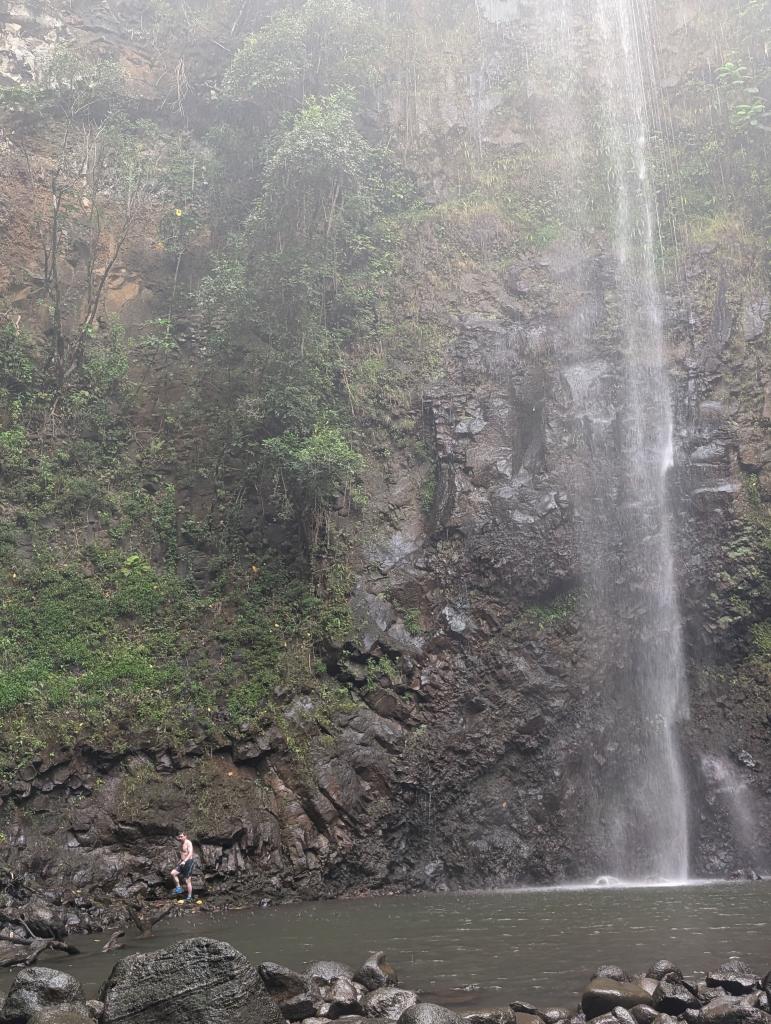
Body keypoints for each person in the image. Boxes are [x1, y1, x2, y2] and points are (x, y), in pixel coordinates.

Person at [170, 831, 195, 901]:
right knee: (173, 873)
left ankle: (189, 897)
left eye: (181, 836)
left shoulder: (188, 843)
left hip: (189, 862)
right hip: (182, 862)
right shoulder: (180, 844)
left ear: (185, 836)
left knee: (187, 880)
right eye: (179, 837)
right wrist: (180, 862)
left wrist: (184, 861)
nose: (180, 838)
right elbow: (182, 855)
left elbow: (190, 853)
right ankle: (178, 887)